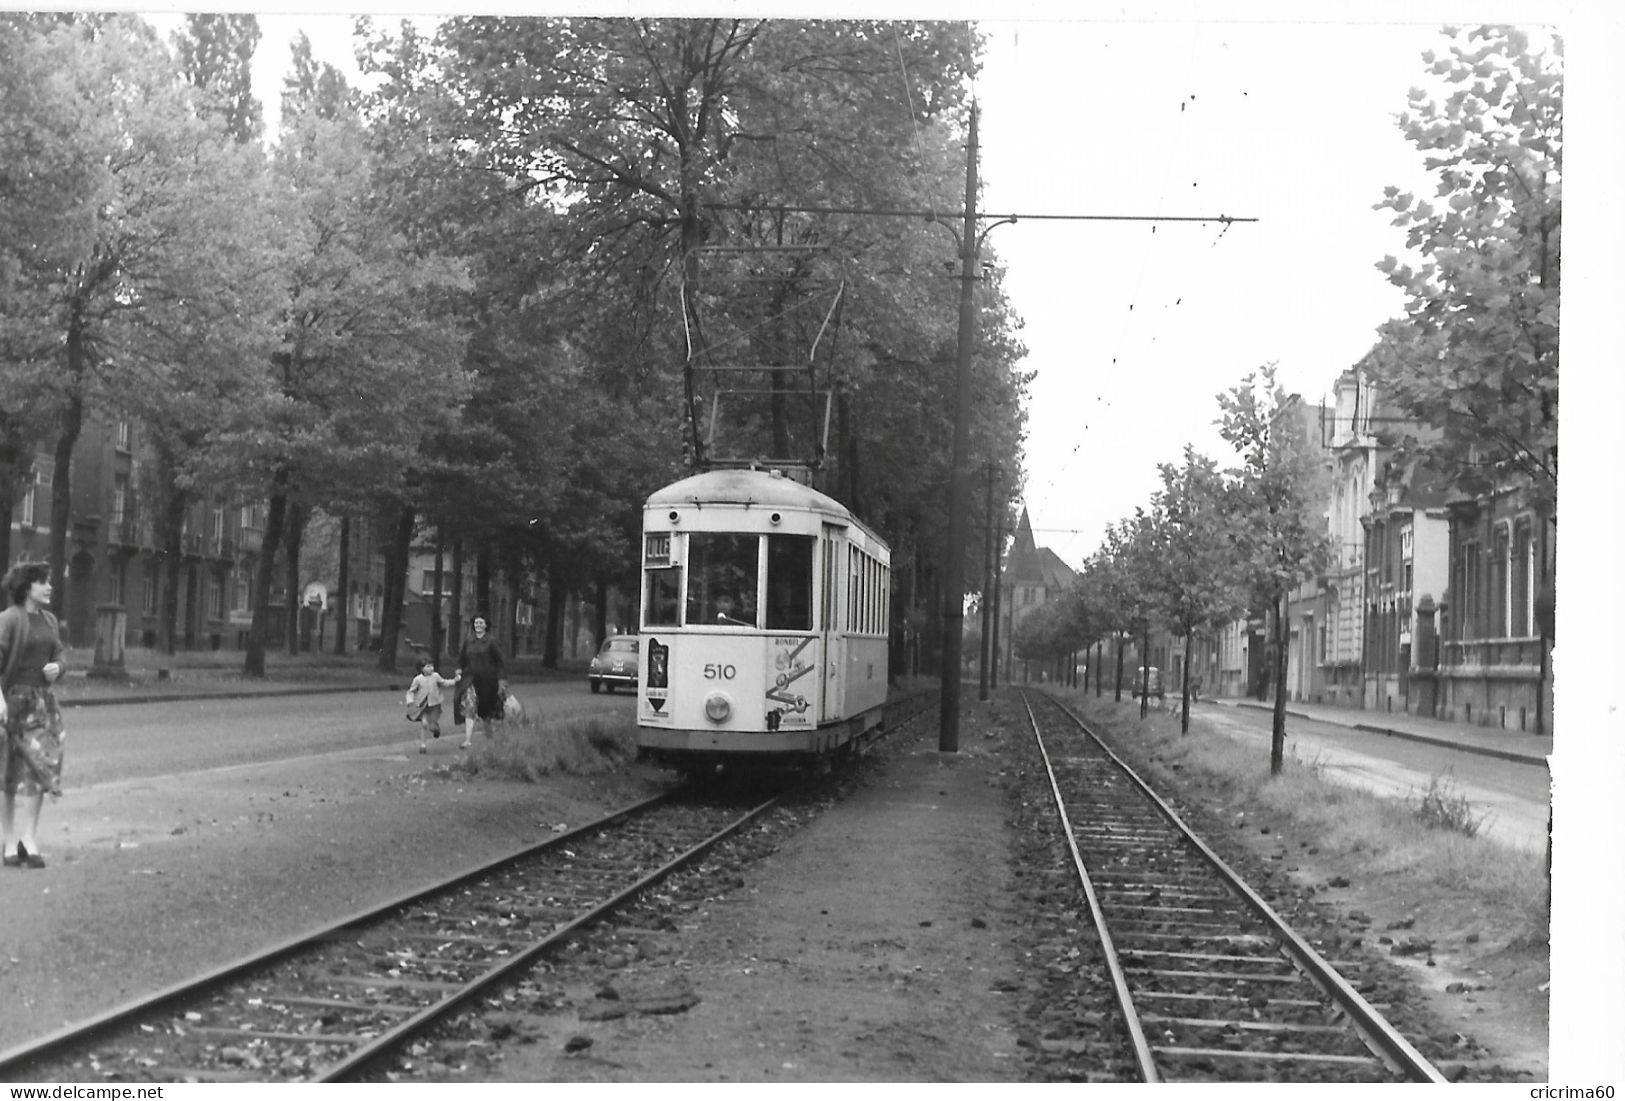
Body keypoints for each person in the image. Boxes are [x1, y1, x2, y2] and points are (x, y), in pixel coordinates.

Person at [0, 562, 66, 869]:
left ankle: (29, 836)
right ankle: (10, 841)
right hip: (12, 703)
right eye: (43, 582)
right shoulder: (9, 619)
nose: (49, 587)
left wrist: (59, 668)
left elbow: (59, 654)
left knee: (46, 764)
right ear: (28, 587)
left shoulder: (50, 620)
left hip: (43, 704)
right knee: (9, 774)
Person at [454, 614, 506, 749]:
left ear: (486, 625)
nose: (478, 625)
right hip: (470, 680)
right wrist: (459, 670)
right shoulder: (468, 641)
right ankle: (467, 740)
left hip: (488, 681)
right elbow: (461, 660)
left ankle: (491, 741)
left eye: (480, 623)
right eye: (476, 623)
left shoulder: (491, 642)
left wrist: (501, 681)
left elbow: (500, 662)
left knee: (486, 712)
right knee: (469, 708)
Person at [404, 657, 458, 754]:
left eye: (432, 666)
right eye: (428, 666)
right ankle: (423, 745)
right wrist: (410, 701)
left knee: (432, 726)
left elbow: (444, 683)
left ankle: (435, 728)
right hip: (423, 705)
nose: (431, 668)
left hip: (435, 705)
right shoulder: (417, 679)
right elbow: (411, 692)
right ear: (421, 668)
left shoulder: (436, 676)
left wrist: (455, 680)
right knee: (424, 724)